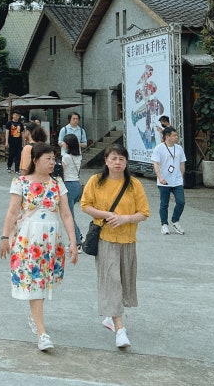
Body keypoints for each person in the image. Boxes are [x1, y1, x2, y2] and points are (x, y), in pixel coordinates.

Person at [0, 143, 78, 352]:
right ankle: (42, 333)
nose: (52, 163)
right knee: (35, 281)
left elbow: (66, 214)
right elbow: (12, 212)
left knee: (42, 282)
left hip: (51, 240)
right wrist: (5, 237)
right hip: (28, 239)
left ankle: (35, 317)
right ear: (35, 160)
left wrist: (73, 241)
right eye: (47, 159)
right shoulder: (21, 182)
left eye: (53, 159)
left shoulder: (57, 183)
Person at [81, 144, 150, 349]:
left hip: (128, 240)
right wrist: (107, 215)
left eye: (121, 159)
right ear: (106, 161)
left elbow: (144, 212)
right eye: (113, 158)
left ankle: (111, 317)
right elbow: (85, 205)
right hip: (106, 239)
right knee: (112, 281)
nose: (117, 162)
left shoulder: (134, 184)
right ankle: (120, 329)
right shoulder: (96, 181)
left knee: (124, 282)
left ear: (126, 162)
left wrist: (125, 218)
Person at [151, 126, 186, 235]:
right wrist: (160, 177)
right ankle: (164, 224)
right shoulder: (159, 148)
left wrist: (181, 177)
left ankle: (175, 220)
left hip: (177, 181)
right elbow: (156, 164)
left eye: (176, 135)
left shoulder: (179, 148)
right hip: (164, 181)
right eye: (174, 135)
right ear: (167, 137)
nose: (176, 137)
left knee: (181, 202)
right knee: (164, 204)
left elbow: (182, 163)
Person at [60, 133, 83, 248]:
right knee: (70, 214)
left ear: (68, 144)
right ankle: (78, 236)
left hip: (68, 185)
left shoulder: (66, 157)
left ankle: (77, 242)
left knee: (68, 215)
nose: (62, 144)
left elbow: (61, 171)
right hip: (77, 185)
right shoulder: (79, 156)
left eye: (64, 142)